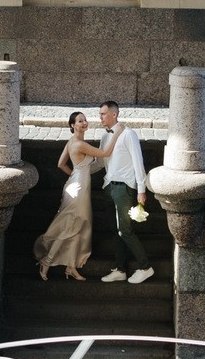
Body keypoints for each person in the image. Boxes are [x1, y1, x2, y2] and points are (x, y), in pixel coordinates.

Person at [33, 110, 124, 281]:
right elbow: (104, 154)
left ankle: (71, 267)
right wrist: (117, 134)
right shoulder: (79, 144)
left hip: (76, 183)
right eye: (80, 121)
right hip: (79, 188)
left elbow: (61, 164)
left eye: (85, 120)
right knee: (71, 225)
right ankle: (47, 261)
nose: (84, 123)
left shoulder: (73, 141)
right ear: (72, 125)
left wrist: (76, 175)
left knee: (78, 226)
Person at [98, 99, 153, 284]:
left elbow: (138, 162)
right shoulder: (105, 136)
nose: (101, 117)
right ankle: (120, 270)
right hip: (108, 187)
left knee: (125, 231)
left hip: (124, 188)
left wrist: (141, 190)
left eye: (103, 113)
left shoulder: (129, 134)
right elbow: (101, 161)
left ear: (114, 114)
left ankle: (145, 267)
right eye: (100, 114)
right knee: (116, 231)